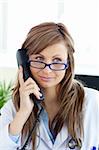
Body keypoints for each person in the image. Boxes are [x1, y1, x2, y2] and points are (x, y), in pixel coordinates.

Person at [0, 22, 99, 150]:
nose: (47, 70)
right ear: (24, 61)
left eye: (57, 61)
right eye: (39, 59)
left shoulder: (93, 103)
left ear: (68, 63)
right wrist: (23, 113)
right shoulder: (14, 109)